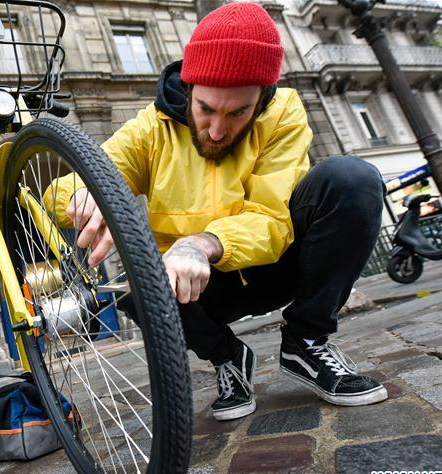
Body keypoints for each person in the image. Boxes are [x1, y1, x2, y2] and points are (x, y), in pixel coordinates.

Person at [47, 1, 388, 420]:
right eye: (205, 108)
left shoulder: (284, 113)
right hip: (198, 292)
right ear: (188, 89)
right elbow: (66, 186)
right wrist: (82, 194)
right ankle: (227, 357)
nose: (217, 129)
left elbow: (269, 218)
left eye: (238, 112)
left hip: (277, 266)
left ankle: (307, 341)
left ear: (261, 100)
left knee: (352, 178)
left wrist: (201, 243)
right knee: (135, 287)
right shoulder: (150, 127)